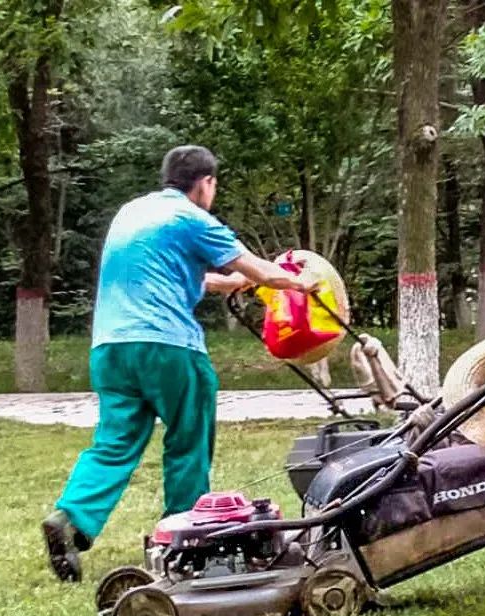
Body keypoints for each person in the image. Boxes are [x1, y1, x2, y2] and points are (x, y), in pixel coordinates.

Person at [42, 145, 318, 582]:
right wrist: (305, 283)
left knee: (114, 442)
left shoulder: (133, 213)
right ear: (205, 183)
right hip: (168, 347)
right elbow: (264, 271)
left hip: (111, 349)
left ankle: (70, 519)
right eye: (213, 185)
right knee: (189, 438)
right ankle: (185, 540)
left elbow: (181, 273)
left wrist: (234, 283)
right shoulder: (193, 218)